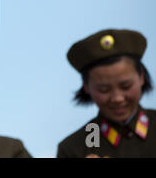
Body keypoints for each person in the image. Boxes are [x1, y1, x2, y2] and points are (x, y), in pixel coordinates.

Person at [57, 29, 156, 158]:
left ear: (141, 76)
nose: (117, 98)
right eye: (104, 90)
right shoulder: (74, 149)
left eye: (125, 86)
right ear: (86, 87)